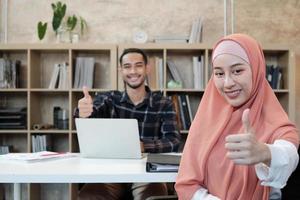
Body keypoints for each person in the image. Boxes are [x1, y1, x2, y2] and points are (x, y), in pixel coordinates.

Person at [175, 33, 299, 200]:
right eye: (219, 74)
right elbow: (187, 184)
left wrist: (265, 152)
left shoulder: (278, 125)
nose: (227, 83)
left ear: (256, 69)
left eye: (237, 71)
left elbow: (289, 154)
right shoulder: (204, 121)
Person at [75, 48, 181, 200]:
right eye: (127, 66)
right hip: (112, 171)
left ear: (147, 68)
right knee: (89, 196)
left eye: (138, 65)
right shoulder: (109, 99)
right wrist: (83, 111)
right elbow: (91, 111)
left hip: (147, 172)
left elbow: (174, 141)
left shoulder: (164, 103)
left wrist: (143, 146)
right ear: (120, 70)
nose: (133, 71)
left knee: (153, 196)